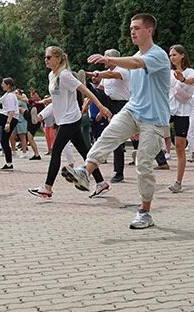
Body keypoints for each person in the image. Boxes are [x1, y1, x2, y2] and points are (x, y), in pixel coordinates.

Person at [60, 14, 171, 230]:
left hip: (154, 119)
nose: (132, 31)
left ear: (149, 31)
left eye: (137, 28)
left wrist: (109, 59)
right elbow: (117, 73)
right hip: (133, 110)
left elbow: (136, 64)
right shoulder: (135, 56)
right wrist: (99, 72)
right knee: (108, 135)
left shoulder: (158, 55)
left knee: (144, 165)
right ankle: (85, 171)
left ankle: (145, 211)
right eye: (131, 28)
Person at [28, 46, 112, 200]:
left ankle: (47, 188)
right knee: (84, 151)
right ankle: (101, 182)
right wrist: (45, 105)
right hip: (63, 119)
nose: (45, 60)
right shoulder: (51, 76)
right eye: (45, 57)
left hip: (71, 118)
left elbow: (86, 91)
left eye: (48, 57)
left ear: (58, 58)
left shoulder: (65, 75)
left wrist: (100, 106)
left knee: (56, 151)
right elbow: (58, 97)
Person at [154, 45, 194, 193]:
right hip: (167, 109)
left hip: (182, 111)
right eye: (170, 55)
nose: (171, 58)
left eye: (174, 55)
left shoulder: (190, 71)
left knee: (180, 146)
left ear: (182, 55)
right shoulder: (168, 72)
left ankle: (178, 181)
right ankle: (158, 157)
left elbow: (191, 81)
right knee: (152, 131)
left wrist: (183, 78)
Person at [86, 48, 131, 183]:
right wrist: (98, 109)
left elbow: (112, 75)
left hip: (121, 105)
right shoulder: (105, 76)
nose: (104, 60)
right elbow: (99, 91)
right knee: (91, 88)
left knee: (117, 138)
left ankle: (119, 172)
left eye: (106, 57)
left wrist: (95, 73)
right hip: (109, 104)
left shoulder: (122, 69)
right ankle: (82, 83)